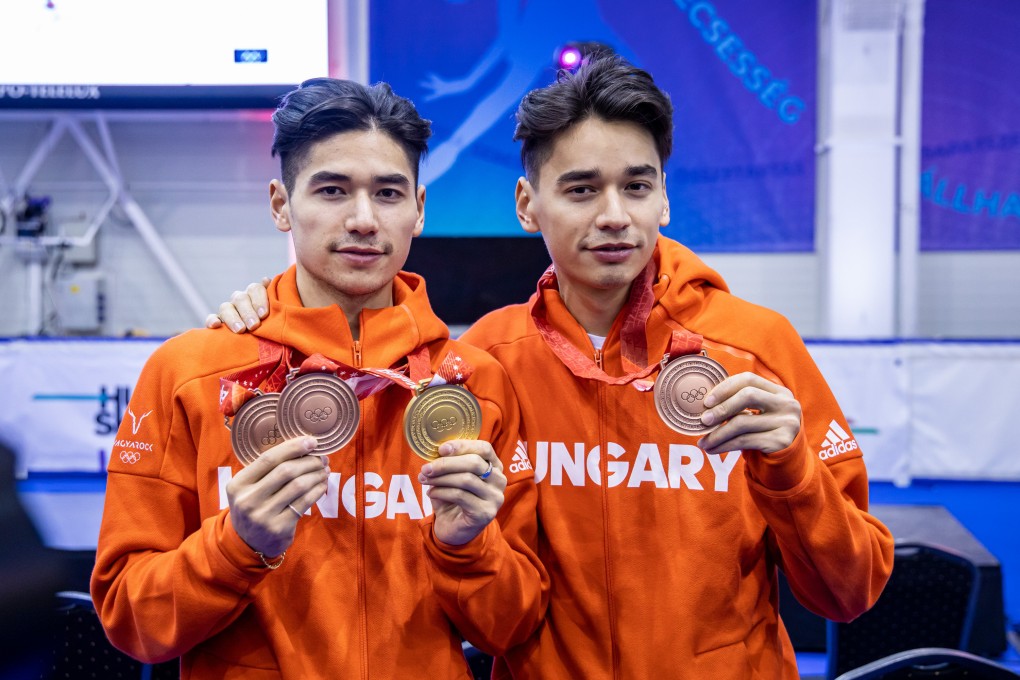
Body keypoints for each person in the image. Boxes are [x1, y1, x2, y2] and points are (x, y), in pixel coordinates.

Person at [211, 56, 894, 678]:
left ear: (664, 197)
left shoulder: (756, 348)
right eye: (581, 189)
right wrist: (270, 313)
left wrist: (793, 473)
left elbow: (851, 592)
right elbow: (491, 599)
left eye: (636, 186)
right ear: (526, 205)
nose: (614, 216)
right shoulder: (486, 361)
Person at [92, 78, 547, 680]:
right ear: (281, 204)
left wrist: (467, 547)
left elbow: (513, 628)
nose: (363, 220)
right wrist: (235, 545)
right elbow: (130, 620)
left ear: (418, 209)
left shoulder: (475, 384)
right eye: (332, 190)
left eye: (388, 193)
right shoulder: (189, 374)